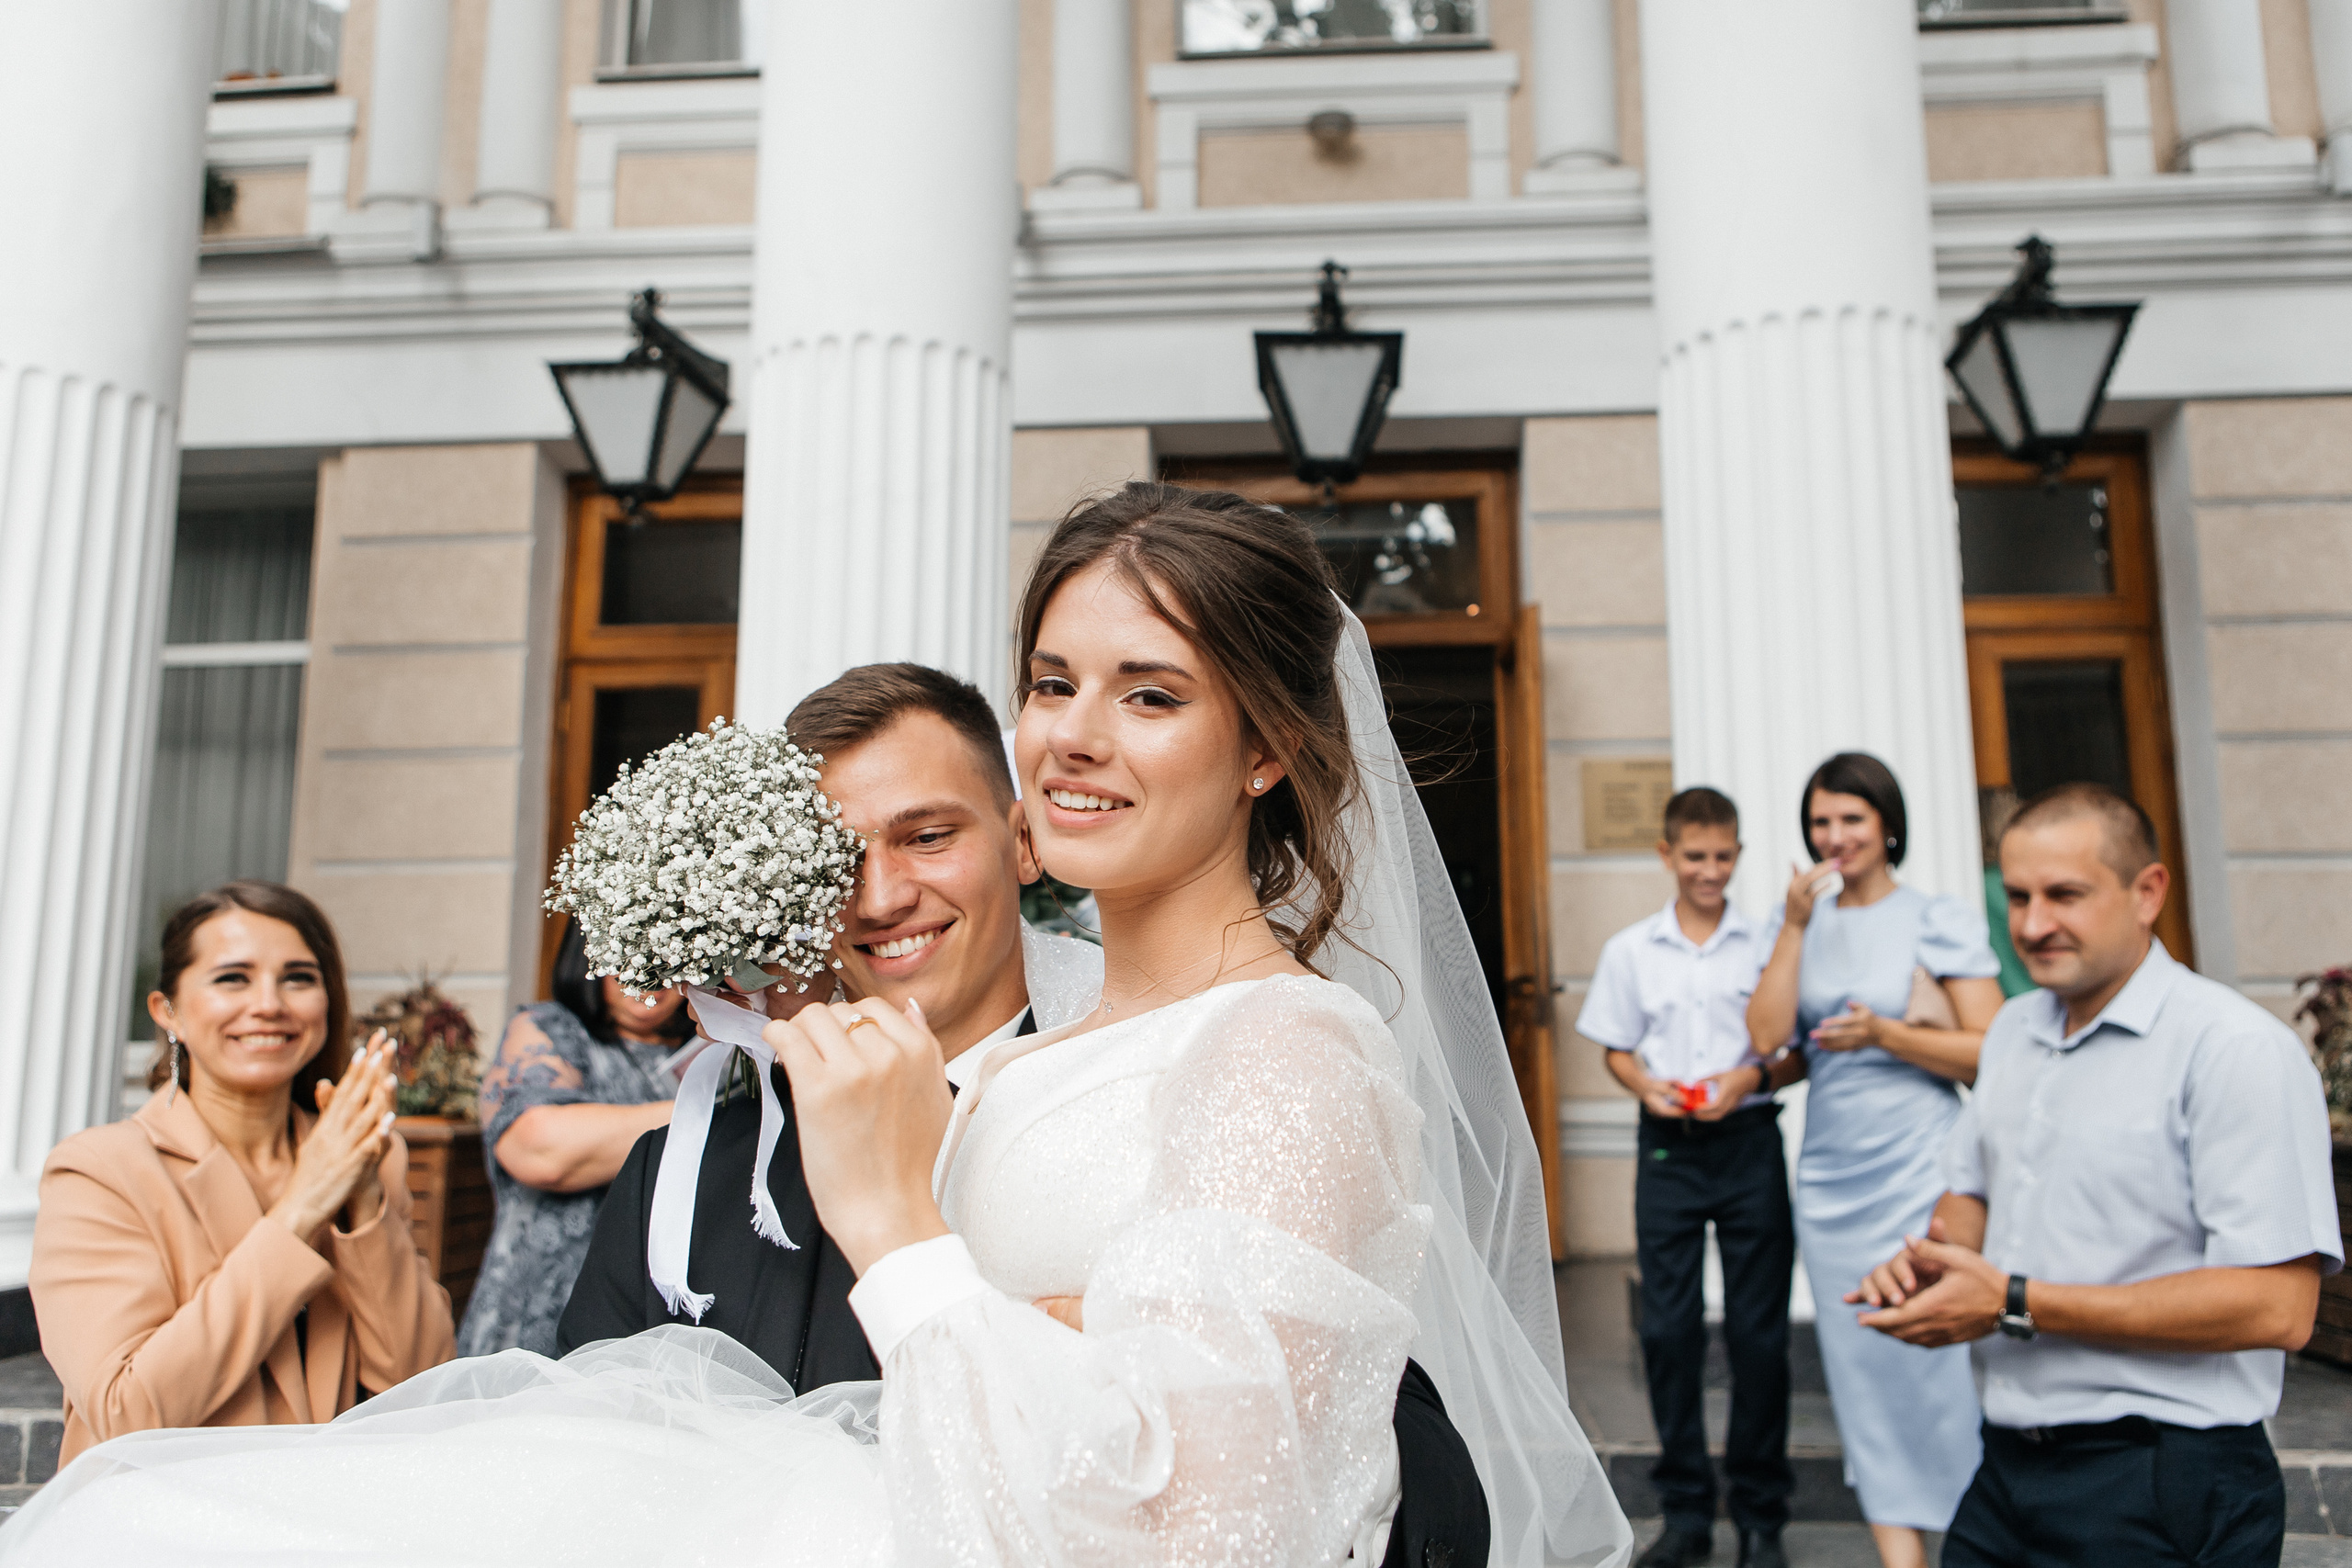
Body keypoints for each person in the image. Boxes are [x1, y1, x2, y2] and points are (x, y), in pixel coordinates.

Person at [1, 485, 1627, 1568]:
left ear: (1266, 743)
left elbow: (1226, 1514)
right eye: (1053, 680)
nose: (1073, 735)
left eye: (1152, 692)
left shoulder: (1284, 1047)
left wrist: (896, 1227)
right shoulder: (1044, 1059)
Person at [560, 660, 1494, 1568]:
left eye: (928, 837)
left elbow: (1369, 1454)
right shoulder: (683, 1178)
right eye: (835, 862)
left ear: (1022, 840)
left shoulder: (1162, 1104)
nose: (881, 897)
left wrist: (1136, 1371)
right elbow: (582, 1466)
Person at [1849, 784, 2340, 1568]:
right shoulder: (2011, 1029)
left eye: (2064, 894)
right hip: (2007, 1470)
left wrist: (2011, 1300)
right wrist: (1935, 1263)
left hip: (2164, 1476)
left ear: (2147, 892)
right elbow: (1970, 1188)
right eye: (2016, 896)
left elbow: (2279, 1307)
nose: (2033, 924)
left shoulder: (2232, 1048)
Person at [27, 881, 454, 1466]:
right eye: (233, 978)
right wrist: (302, 1205)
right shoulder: (100, 1172)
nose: (269, 1004)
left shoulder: (373, 1157)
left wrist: (360, 1198)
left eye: (299, 978)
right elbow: (129, 1414)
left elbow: (424, 1387)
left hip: (339, 1512)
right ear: (167, 1011)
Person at [1745, 752, 2005, 1568]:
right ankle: (1902, 1559)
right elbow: (1763, 1038)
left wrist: (1889, 1034)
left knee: (1941, 1366)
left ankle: (1972, 1540)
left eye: (1851, 819)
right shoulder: (1800, 921)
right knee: (1859, 1366)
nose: (1835, 836)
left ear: (1887, 824)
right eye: (1821, 822)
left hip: (1922, 1164)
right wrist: (1792, 925)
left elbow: (1995, 1051)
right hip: (1830, 1174)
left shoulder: (1938, 917)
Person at [1579, 786, 1790, 1568]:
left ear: (1738, 854)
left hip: (1748, 1143)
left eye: (1724, 855)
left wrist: (1747, 1077)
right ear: (1667, 855)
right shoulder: (1633, 950)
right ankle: (1688, 1513)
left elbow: (1788, 1045)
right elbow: (1616, 1046)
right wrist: (1646, 1086)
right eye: (1695, 856)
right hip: (1668, 1146)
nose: (1711, 870)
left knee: (1757, 1337)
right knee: (1668, 1331)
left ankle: (1762, 1518)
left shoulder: (1768, 941)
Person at [455, 918, 692, 1357]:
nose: (651, 966)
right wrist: (708, 1114)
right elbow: (539, 1148)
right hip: (540, 1314)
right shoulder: (550, 1028)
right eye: (630, 944)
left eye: (673, 946)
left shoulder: (712, 1048)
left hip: (653, 1327)